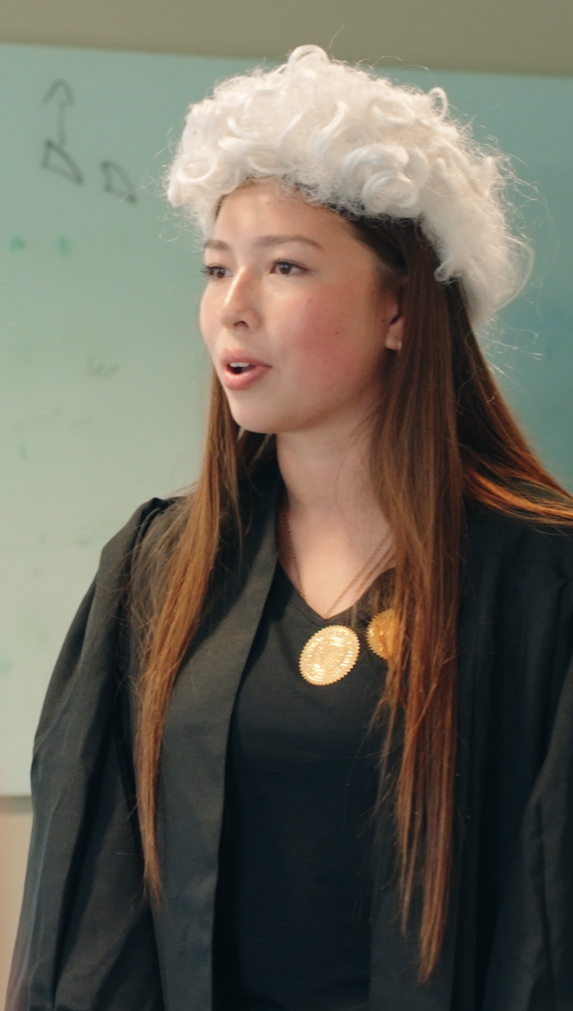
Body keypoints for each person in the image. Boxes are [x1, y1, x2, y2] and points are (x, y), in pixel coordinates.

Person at [7, 45, 573, 1011]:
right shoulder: (157, 569)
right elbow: (92, 915)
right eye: (216, 268)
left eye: (284, 267)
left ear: (400, 307)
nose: (233, 307)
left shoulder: (539, 579)